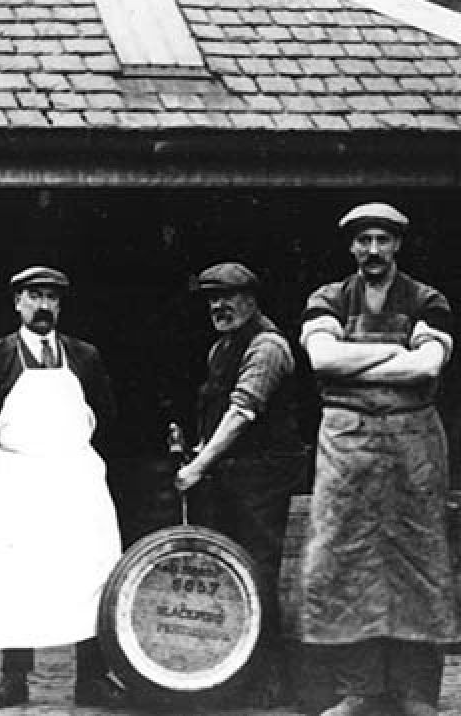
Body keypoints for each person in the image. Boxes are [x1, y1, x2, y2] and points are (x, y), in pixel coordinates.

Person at [298, 203, 461, 716]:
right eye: (364, 240)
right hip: (345, 450)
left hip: (413, 449)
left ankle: (417, 694)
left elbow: (427, 367)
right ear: (351, 246)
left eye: (383, 240)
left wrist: (355, 361)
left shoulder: (427, 299)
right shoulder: (327, 298)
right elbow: (322, 358)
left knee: (419, 565)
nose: (373, 250)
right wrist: (395, 352)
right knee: (346, 564)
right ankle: (360, 690)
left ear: (397, 246)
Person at [0, 266, 122, 710]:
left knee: (89, 570)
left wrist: (70, 448)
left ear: (61, 305)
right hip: (17, 479)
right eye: (34, 296)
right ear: (17, 302)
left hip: (75, 477)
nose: (43, 305)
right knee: (15, 577)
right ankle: (14, 679)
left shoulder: (85, 356)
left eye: (52, 298)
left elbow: (109, 415)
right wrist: (6, 444)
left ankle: (92, 678)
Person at [174, 262, 307, 704]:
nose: (218, 306)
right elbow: (215, 414)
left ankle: (272, 680)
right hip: (232, 476)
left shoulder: (267, 347)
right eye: (211, 298)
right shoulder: (221, 349)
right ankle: (233, 673)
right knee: (228, 573)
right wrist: (195, 450)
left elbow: (242, 414)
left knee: (256, 573)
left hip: (263, 477)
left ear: (252, 299)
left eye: (227, 297)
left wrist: (199, 466)